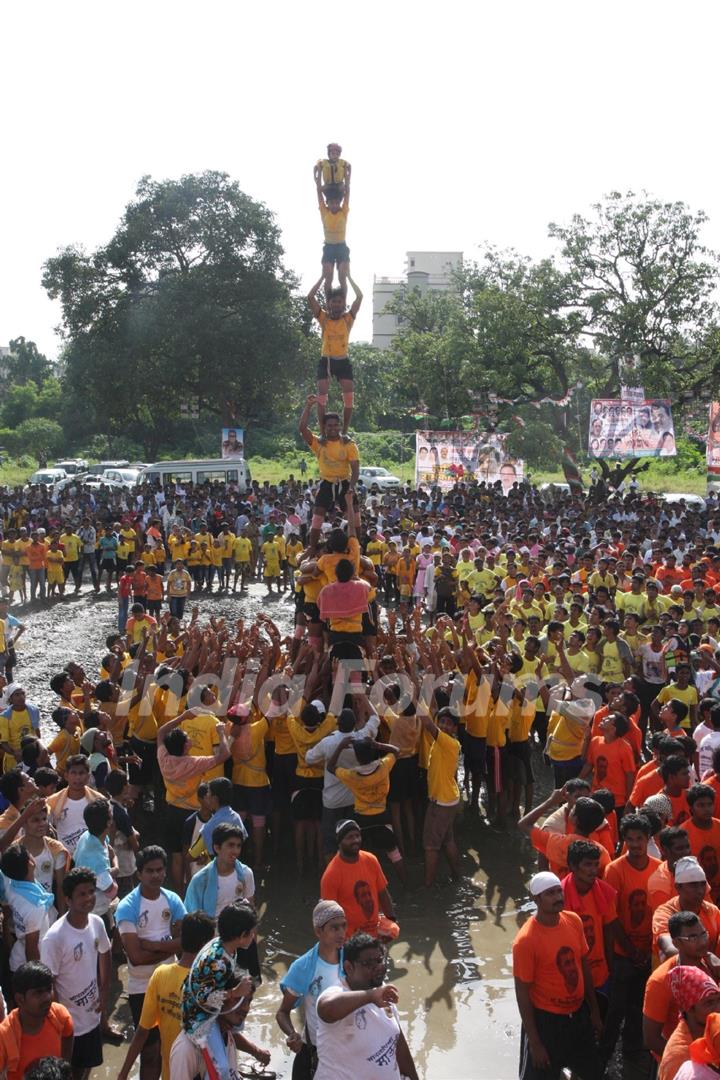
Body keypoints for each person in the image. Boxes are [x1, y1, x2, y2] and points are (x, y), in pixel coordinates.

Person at [512, 871, 603, 1080]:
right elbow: (522, 993)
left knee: (594, 1073)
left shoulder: (573, 921)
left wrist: (595, 1012)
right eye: (550, 894)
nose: (558, 898)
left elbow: (584, 967)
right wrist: (535, 1043)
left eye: (558, 892)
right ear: (536, 899)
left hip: (578, 1016)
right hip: (546, 1022)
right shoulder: (526, 941)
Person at [116, 911, 216, 1080]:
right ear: (206, 944)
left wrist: (124, 1073)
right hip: (200, 1071)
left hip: (171, 1072)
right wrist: (255, 1052)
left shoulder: (161, 974)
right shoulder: (209, 983)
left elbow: (142, 1032)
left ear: (182, 939)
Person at [116, 846, 186, 1079]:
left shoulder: (173, 899)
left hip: (171, 982)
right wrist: (167, 948)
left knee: (176, 1045)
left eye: (160, 870)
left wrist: (152, 945)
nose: (155, 875)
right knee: (149, 1051)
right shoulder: (127, 906)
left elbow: (184, 943)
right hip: (141, 988)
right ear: (139, 874)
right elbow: (135, 958)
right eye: (149, 871)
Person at [40, 868, 113, 1079]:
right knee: (69, 1072)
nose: (89, 898)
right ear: (68, 899)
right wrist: (60, 1020)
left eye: (91, 892)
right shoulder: (55, 938)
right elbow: (48, 984)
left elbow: (105, 952)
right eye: (82, 894)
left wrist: (104, 990)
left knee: (89, 1065)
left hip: (92, 1015)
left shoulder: (97, 923)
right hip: (69, 1024)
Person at [314, 931, 419, 1080]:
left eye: (379, 960)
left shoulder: (382, 990)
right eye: (368, 963)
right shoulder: (336, 992)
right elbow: (327, 1008)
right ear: (349, 967)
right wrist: (370, 996)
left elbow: (398, 1043)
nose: (378, 967)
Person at [276, 900, 347, 1080]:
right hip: (315, 1054)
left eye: (343, 926)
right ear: (318, 931)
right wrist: (293, 1035)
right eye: (334, 928)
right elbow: (282, 1012)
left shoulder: (350, 960)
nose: (341, 933)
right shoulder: (304, 967)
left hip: (346, 1051)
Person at [320, 819, 398, 940]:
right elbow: (330, 917)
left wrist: (391, 920)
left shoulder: (371, 860)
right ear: (340, 842)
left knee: (393, 931)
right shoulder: (331, 875)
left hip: (374, 933)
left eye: (357, 835)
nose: (355, 840)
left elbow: (382, 893)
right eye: (350, 837)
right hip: (349, 940)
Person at [299, 396, 360, 549]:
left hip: (345, 482)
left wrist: (351, 487)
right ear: (324, 427)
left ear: (340, 426)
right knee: (318, 513)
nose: (332, 428)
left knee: (356, 514)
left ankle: (357, 547)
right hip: (327, 482)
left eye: (335, 425)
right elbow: (302, 428)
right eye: (329, 425)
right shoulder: (318, 443)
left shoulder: (349, 444)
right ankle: (312, 548)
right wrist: (308, 406)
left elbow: (355, 469)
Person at [307, 276, 363, 434]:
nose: (336, 304)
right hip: (327, 361)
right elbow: (310, 297)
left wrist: (350, 277)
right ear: (329, 304)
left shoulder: (348, 318)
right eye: (333, 301)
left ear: (343, 304)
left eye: (339, 302)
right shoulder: (323, 318)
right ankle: (323, 432)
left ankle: (344, 432)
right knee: (322, 398)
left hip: (343, 361)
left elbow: (359, 296)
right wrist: (323, 278)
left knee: (349, 398)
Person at [0, 962, 74, 1080]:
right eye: (38, 992)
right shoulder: (4, 1036)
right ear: (20, 999)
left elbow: (68, 1035)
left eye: (49, 989)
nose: (47, 997)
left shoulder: (60, 1015)